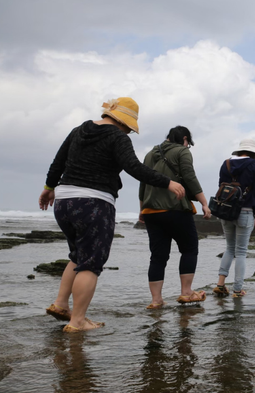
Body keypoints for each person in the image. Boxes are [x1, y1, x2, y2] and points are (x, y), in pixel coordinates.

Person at [39, 97, 185, 332]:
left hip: (64, 201)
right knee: (90, 263)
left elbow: (58, 163)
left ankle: (60, 304)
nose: (129, 130)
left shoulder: (78, 130)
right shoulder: (118, 137)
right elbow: (134, 168)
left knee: (77, 254)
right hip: (94, 203)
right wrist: (167, 182)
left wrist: (48, 189)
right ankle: (77, 322)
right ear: (124, 122)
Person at [139, 126, 212, 309]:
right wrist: (204, 202)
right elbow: (189, 177)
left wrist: (142, 208)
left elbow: (143, 183)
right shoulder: (182, 152)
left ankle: (156, 300)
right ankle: (186, 292)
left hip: (151, 212)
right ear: (185, 138)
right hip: (176, 209)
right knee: (189, 249)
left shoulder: (149, 154)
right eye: (188, 143)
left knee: (157, 256)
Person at [213, 139, 255, 298]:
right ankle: (237, 289)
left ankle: (220, 284)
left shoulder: (225, 164)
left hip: (226, 210)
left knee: (229, 248)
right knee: (241, 252)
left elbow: (221, 185)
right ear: (254, 153)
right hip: (246, 211)